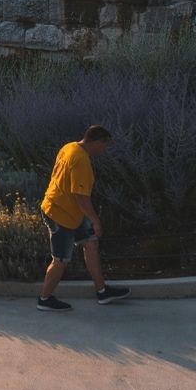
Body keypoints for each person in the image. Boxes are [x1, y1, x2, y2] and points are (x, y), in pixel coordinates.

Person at [37, 124, 130, 311]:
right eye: (104, 145)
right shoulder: (81, 161)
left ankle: (102, 292)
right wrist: (96, 220)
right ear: (96, 142)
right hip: (59, 214)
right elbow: (81, 198)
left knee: (91, 243)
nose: (104, 150)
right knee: (60, 260)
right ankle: (45, 299)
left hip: (71, 212)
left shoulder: (69, 147)